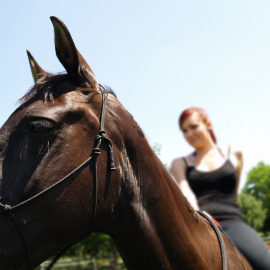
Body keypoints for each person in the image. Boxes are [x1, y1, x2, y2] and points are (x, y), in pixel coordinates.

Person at [171, 107, 270, 270]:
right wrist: (200, 216)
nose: (190, 134)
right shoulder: (180, 163)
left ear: (207, 124)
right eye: (185, 130)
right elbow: (185, 191)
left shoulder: (234, 154)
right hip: (201, 225)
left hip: (234, 223)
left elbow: (234, 193)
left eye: (194, 127)